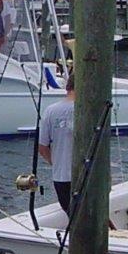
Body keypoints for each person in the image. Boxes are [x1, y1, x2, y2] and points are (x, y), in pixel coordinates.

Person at [38, 75, 75, 215]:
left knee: (72, 214)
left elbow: (42, 147)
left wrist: (56, 162)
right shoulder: (91, 110)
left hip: (61, 176)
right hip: (87, 176)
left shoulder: (50, 111)